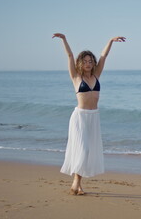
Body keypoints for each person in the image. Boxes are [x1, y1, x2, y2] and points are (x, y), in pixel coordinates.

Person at [52, 33, 126, 195]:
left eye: (90, 61)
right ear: (80, 63)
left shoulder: (96, 75)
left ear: (93, 63)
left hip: (94, 117)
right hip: (80, 117)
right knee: (83, 150)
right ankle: (75, 184)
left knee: (88, 151)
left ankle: (76, 185)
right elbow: (70, 55)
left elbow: (104, 55)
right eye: (85, 61)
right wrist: (64, 39)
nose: (88, 63)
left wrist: (110, 41)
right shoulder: (76, 77)